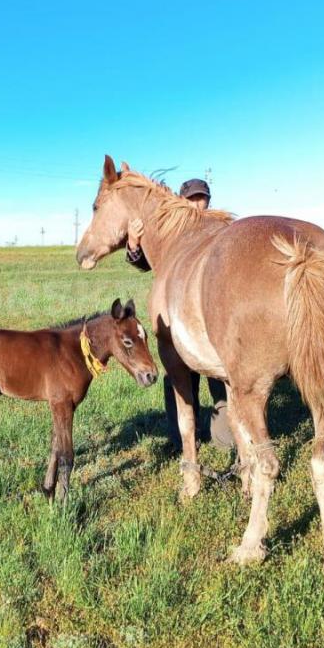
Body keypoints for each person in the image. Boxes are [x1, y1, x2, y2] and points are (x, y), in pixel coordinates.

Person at [126, 178, 233, 451]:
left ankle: (226, 434)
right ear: (181, 200)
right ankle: (181, 438)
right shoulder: (174, 229)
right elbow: (149, 262)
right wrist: (134, 245)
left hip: (210, 313)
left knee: (220, 373)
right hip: (177, 312)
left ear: (209, 200)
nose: (198, 203)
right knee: (177, 374)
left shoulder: (219, 226)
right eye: (192, 198)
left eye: (202, 198)